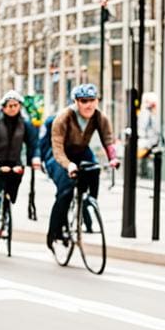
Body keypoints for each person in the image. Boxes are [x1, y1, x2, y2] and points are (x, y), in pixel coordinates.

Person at [43, 83, 120, 250]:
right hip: (59, 155)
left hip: (82, 152)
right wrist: (68, 165)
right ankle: (55, 231)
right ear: (76, 102)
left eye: (92, 100)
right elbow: (57, 148)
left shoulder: (99, 117)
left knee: (94, 169)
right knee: (66, 191)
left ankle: (89, 200)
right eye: (84, 101)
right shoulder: (63, 117)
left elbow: (108, 140)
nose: (89, 105)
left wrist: (113, 158)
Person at [0, 90, 40, 238]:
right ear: (4, 107)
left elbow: (33, 143)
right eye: (10, 105)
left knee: (11, 192)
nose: (13, 108)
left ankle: (5, 213)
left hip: (14, 160)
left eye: (16, 105)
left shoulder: (25, 120)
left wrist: (35, 158)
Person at [136, 91, 160, 178]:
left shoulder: (151, 113)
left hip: (151, 142)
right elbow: (142, 129)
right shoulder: (146, 113)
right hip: (147, 143)